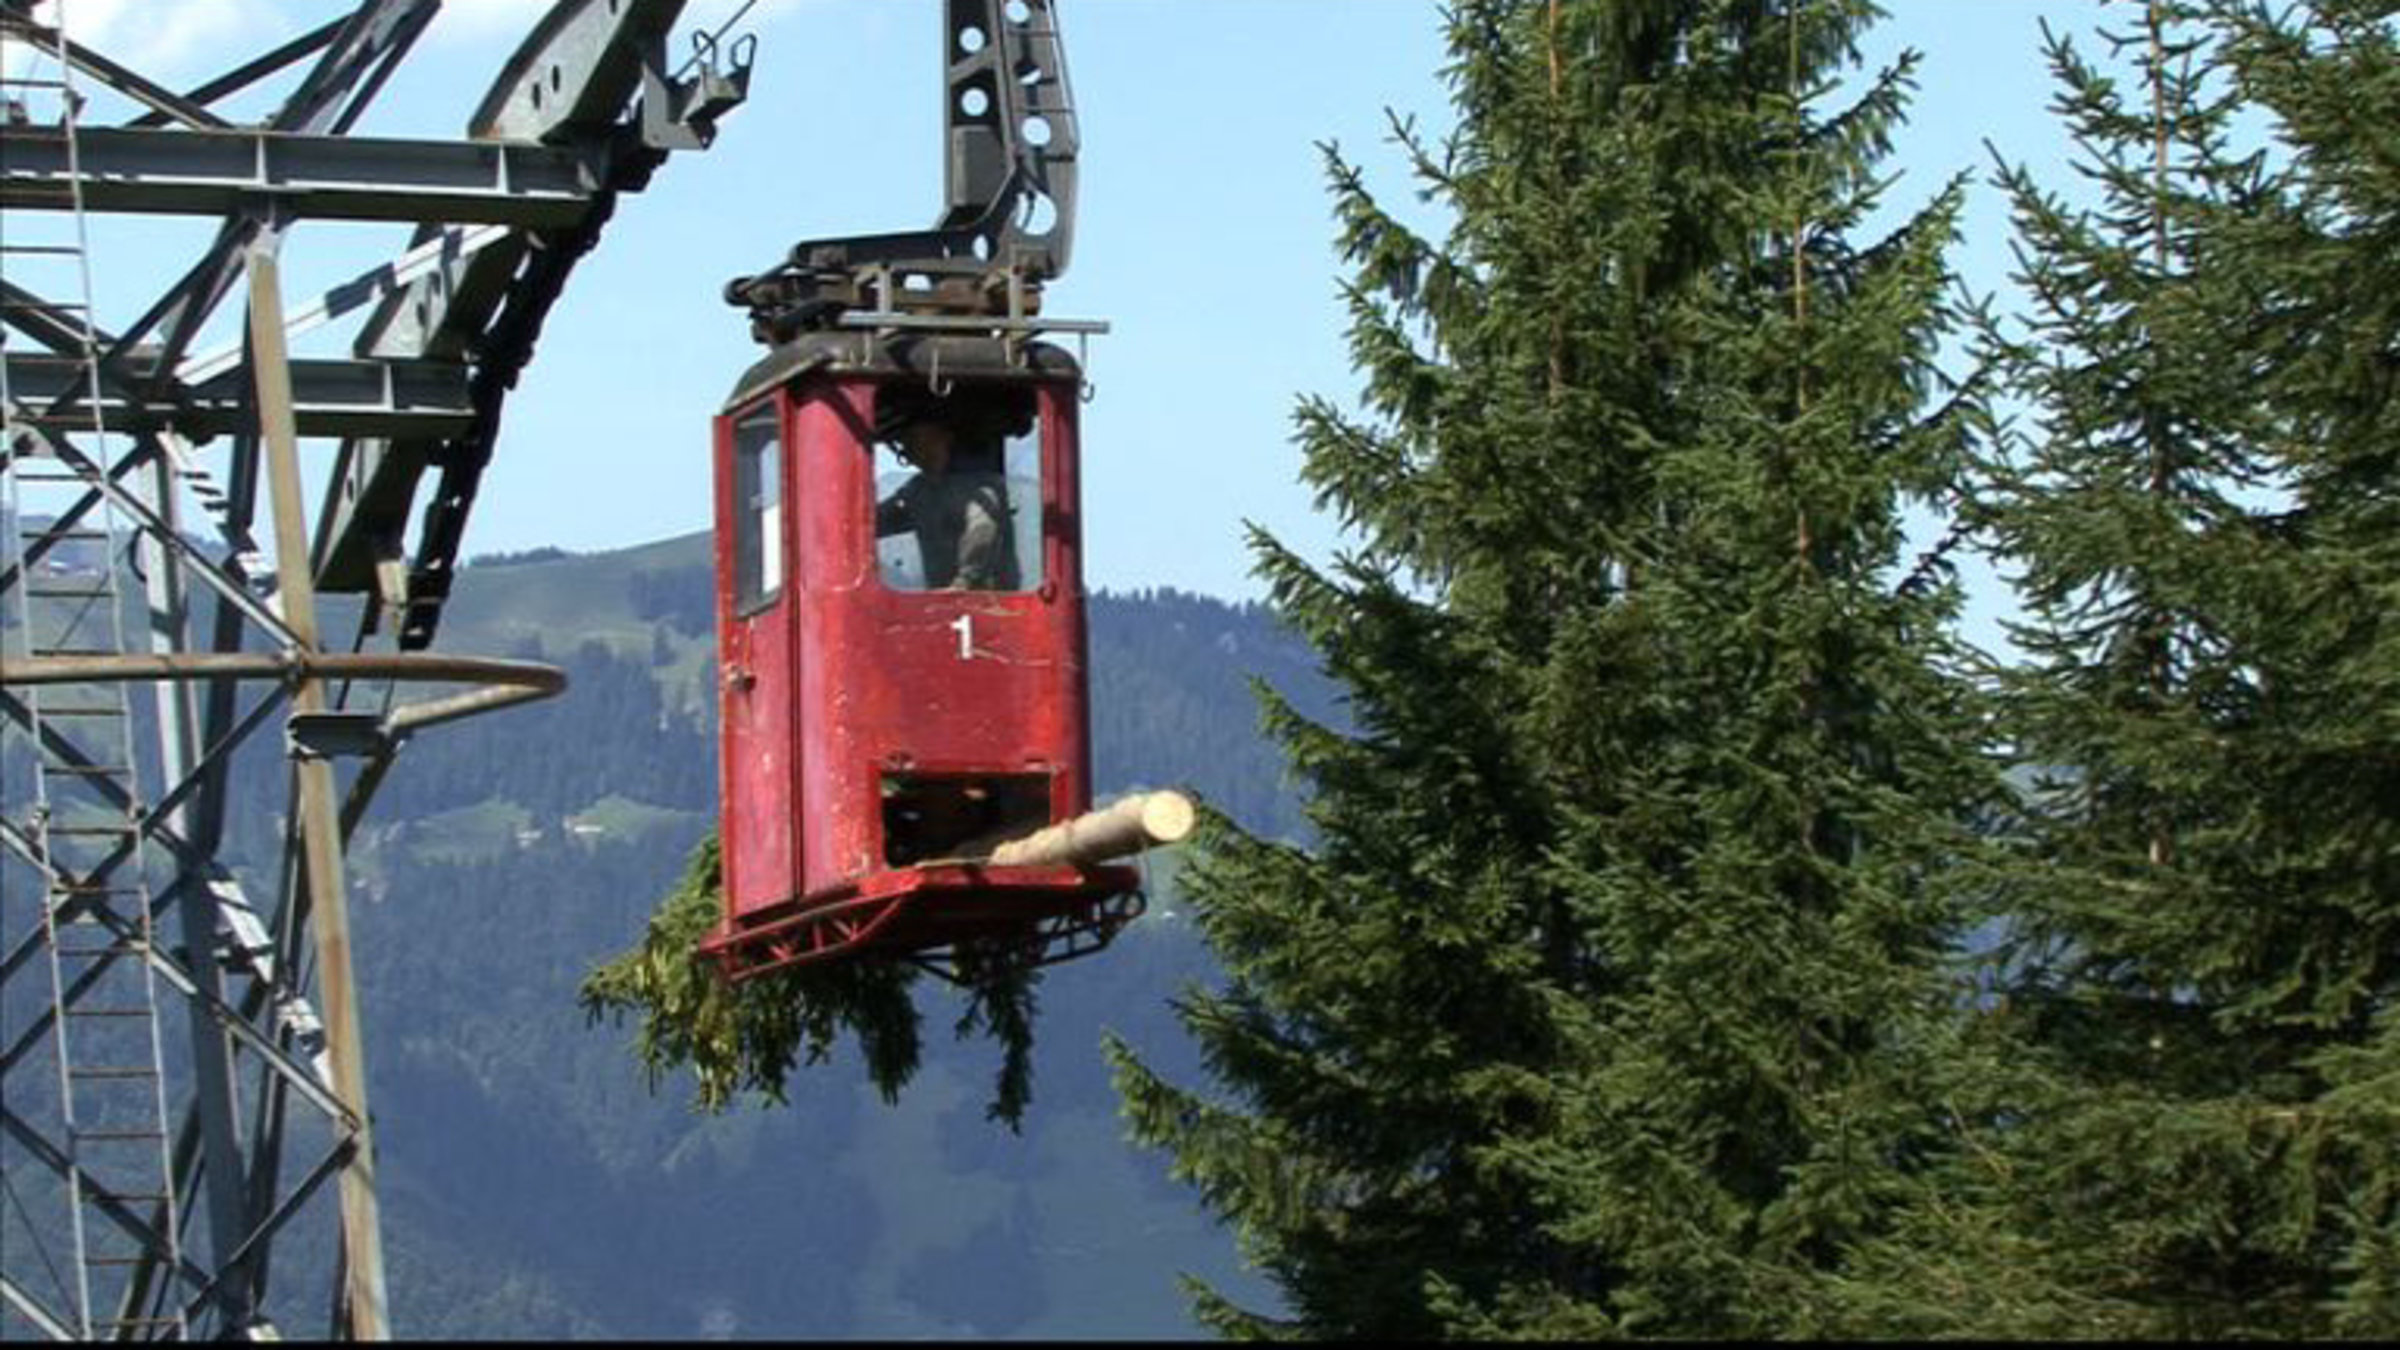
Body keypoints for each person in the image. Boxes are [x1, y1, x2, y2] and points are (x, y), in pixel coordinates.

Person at [873, 407, 1021, 591]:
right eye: (906, 442)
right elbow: (877, 522)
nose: (910, 448)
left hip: (990, 600)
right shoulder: (918, 491)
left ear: (945, 437)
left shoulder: (981, 487)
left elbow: (983, 528)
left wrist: (964, 582)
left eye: (917, 438)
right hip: (942, 598)